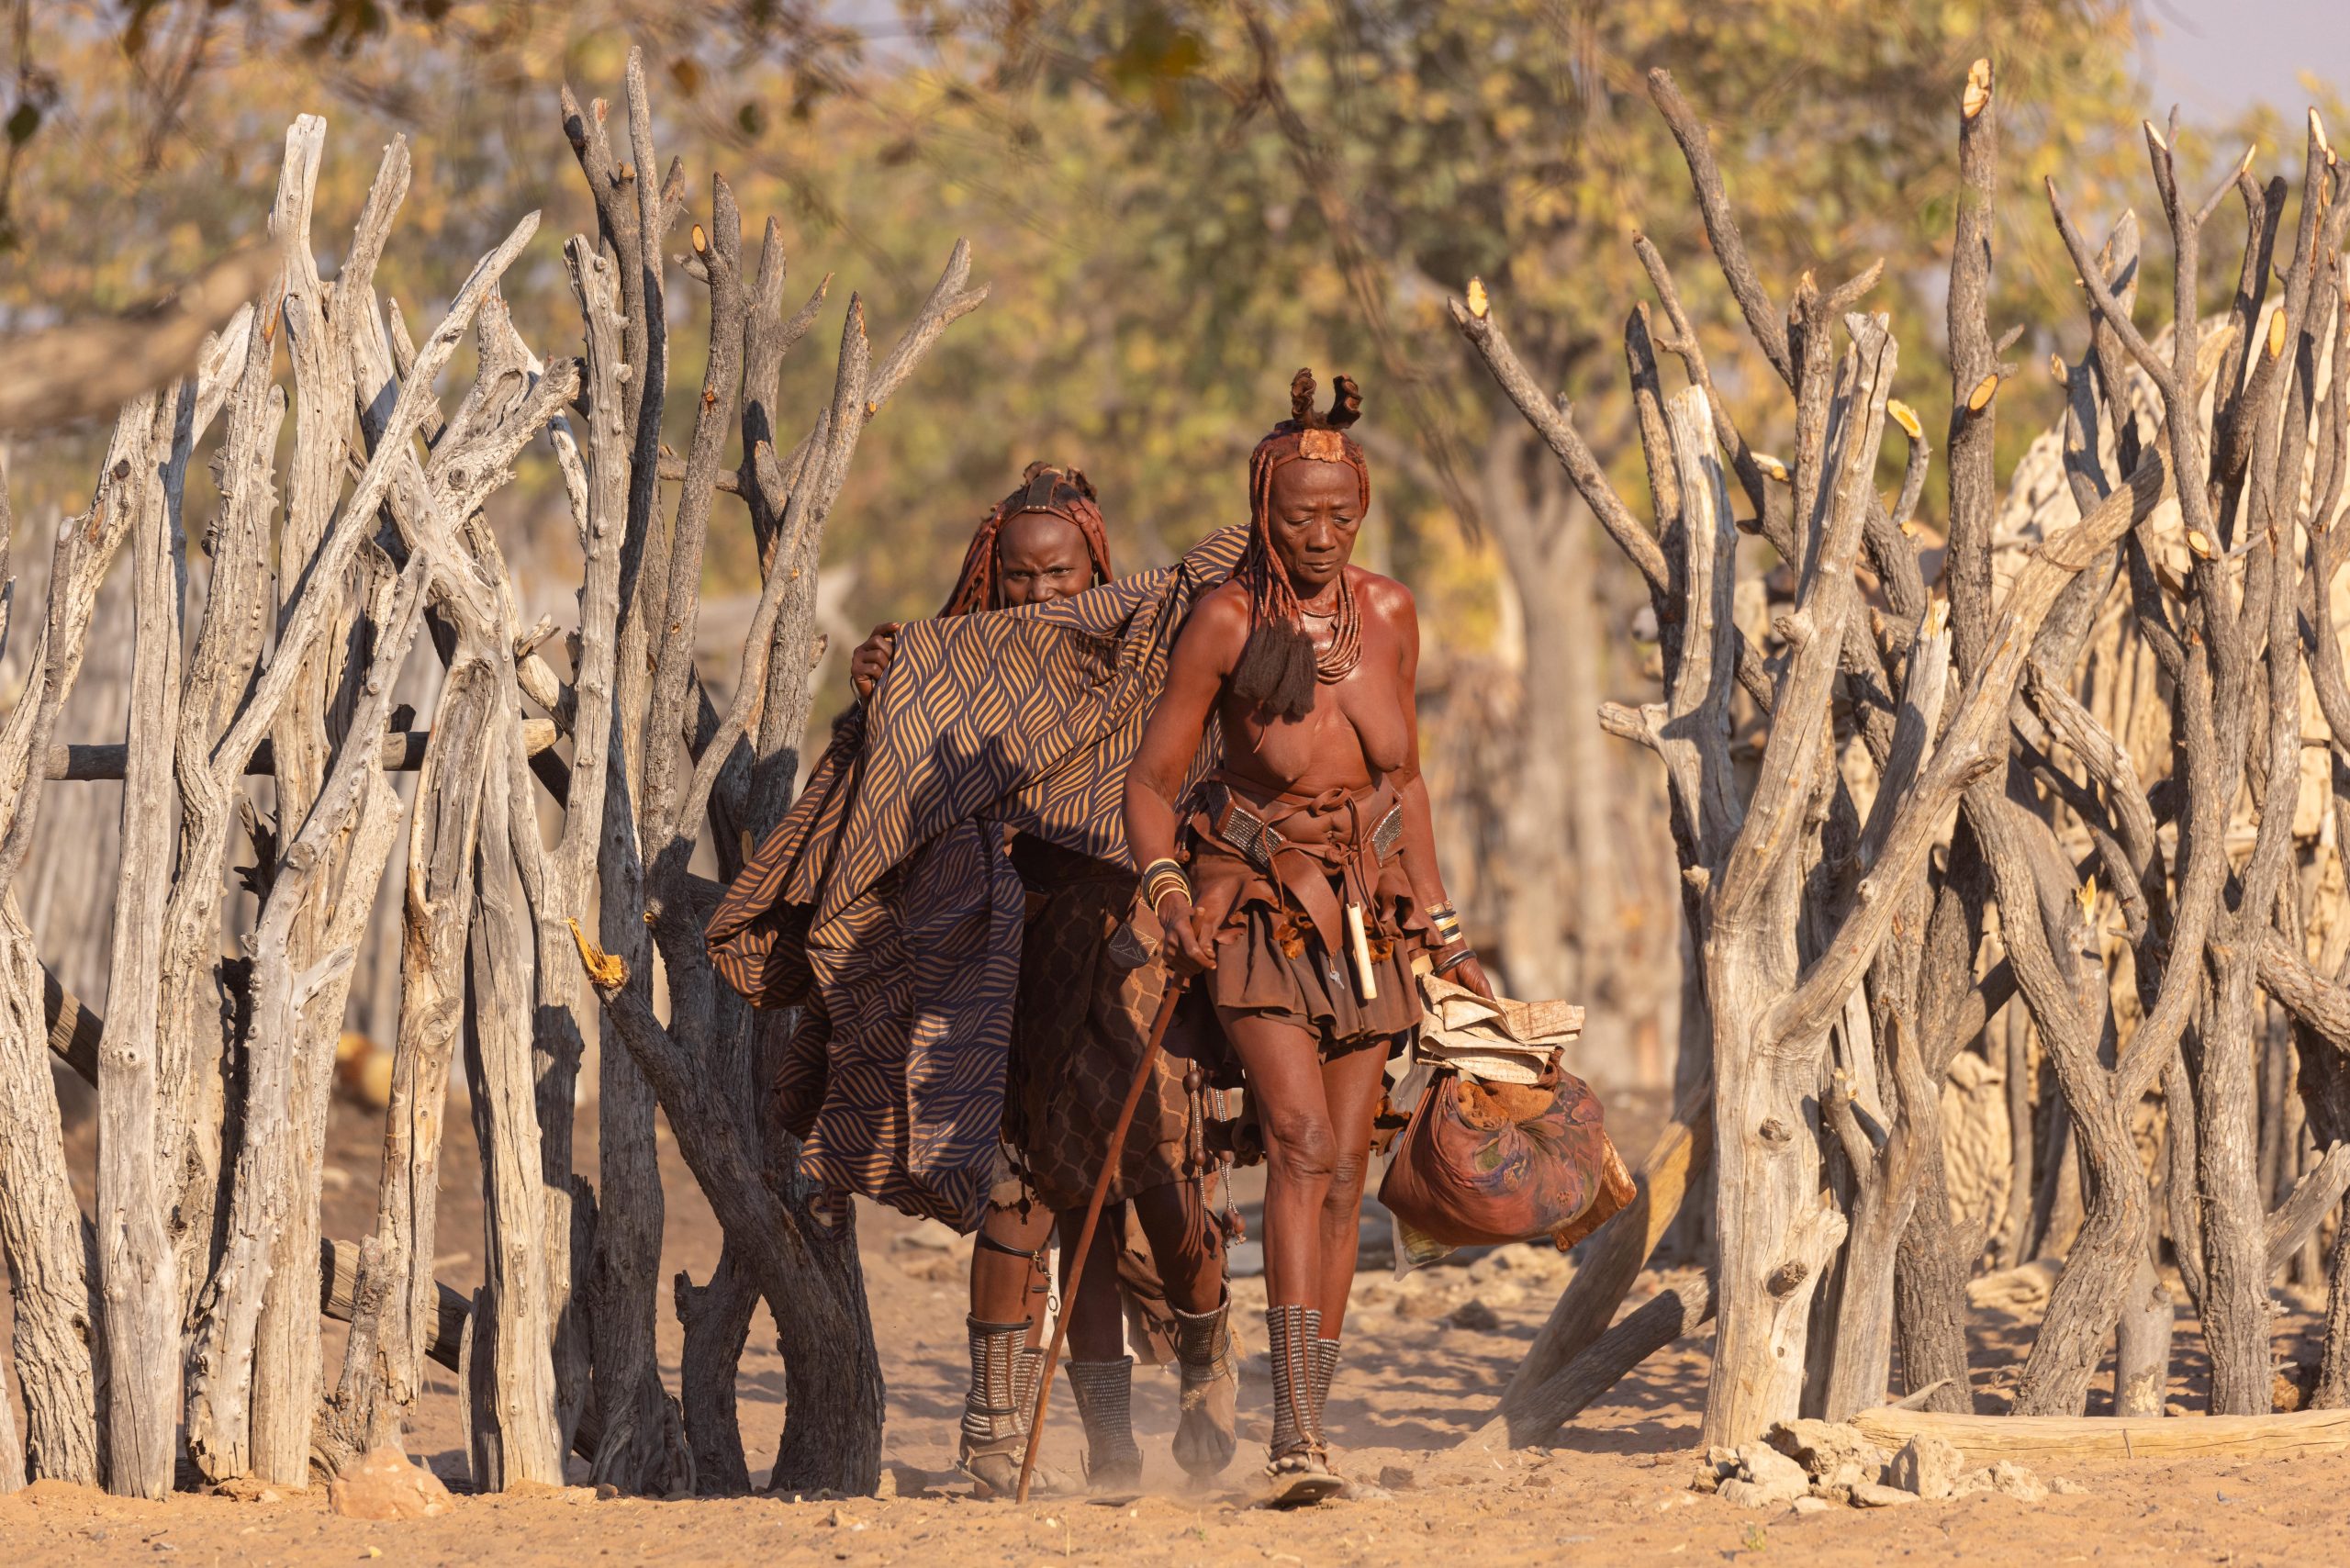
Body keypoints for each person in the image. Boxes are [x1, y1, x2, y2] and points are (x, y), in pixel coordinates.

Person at [1123, 372, 1492, 1503]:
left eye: (1341, 515)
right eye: (1298, 516)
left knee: (1343, 1171)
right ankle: (1286, 1434)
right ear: (1261, 508)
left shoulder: (1389, 615)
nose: (1322, 536)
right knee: (1294, 1140)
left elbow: (1406, 783)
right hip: (1256, 911)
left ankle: (1307, 1425)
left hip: (1367, 919)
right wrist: (1172, 893)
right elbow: (1150, 783)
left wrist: (1441, 926)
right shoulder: (1226, 622)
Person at [846, 463, 1238, 1496]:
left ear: (1093, 564)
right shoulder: (965, 674)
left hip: (1132, 941)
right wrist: (884, 686)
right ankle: (1006, 1432)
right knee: (1028, 1187)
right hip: (1008, 953)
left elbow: (1237, 561)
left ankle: (1205, 1360)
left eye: (1057, 572)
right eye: (1015, 578)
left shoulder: (1148, 651)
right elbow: (892, 783)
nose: (1037, 597)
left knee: (1154, 1175)